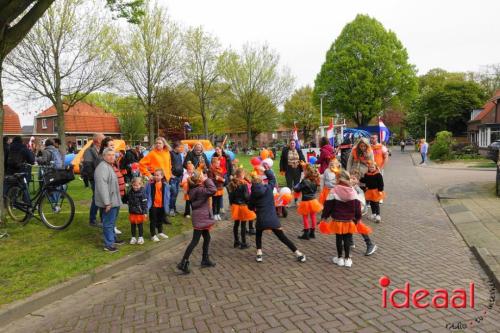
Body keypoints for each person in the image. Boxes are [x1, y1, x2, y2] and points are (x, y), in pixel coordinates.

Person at [248, 164, 306, 263]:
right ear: (262, 182)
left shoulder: (253, 194)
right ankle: (298, 253)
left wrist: (254, 207)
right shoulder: (268, 188)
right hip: (272, 219)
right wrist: (267, 170)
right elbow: (272, 179)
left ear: (252, 185)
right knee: (282, 237)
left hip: (261, 219)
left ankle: (259, 254)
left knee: (258, 234)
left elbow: (250, 207)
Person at [176, 171, 217, 274]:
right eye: (202, 176)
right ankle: (183, 262)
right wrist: (206, 180)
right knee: (195, 241)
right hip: (201, 217)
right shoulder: (200, 190)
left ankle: (205, 259)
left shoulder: (192, 189)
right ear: (199, 180)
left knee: (207, 237)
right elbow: (213, 189)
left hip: (199, 217)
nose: (204, 177)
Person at [319, 170, 360, 268]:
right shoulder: (353, 191)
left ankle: (339, 258)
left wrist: (324, 217)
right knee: (347, 239)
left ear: (338, 179)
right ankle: (347, 259)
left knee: (339, 238)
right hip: (349, 220)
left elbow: (328, 205)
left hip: (337, 219)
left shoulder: (333, 190)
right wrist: (357, 218)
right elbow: (357, 207)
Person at [94, 148, 124, 252]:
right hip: (109, 202)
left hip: (114, 200)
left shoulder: (109, 166)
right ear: (104, 156)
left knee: (112, 222)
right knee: (108, 223)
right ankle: (108, 244)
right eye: (109, 155)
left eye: (113, 155)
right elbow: (103, 187)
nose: (112, 157)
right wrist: (107, 203)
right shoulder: (102, 168)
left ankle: (113, 239)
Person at [350, 172, 377, 256]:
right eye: (350, 178)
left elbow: (361, 202)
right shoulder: (348, 187)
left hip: (356, 212)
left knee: (359, 226)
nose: (351, 179)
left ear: (358, 181)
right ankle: (350, 243)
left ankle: (370, 244)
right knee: (349, 225)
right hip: (349, 212)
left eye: (354, 178)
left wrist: (358, 212)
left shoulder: (358, 190)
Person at [228, 168, 256, 249]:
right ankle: (243, 243)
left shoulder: (232, 183)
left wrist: (231, 204)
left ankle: (236, 241)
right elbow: (246, 196)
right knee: (243, 225)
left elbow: (231, 196)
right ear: (242, 175)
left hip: (235, 206)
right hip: (243, 206)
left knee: (236, 224)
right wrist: (250, 201)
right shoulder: (244, 184)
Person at [82, 133, 105, 227]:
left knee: (101, 198)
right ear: (98, 141)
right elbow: (87, 166)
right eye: (103, 139)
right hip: (95, 178)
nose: (104, 140)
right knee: (97, 198)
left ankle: (102, 219)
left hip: (102, 178)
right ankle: (92, 219)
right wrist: (94, 177)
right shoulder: (89, 151)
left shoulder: (101, 150)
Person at [294, 165, 323, 240]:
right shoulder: (315, 179)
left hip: (306, 201)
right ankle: (312, 232)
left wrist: (296, 186)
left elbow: (297, 189)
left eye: (305, 171)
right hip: (313, 201)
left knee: (305, 217)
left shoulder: (304, 181)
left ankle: (306, 233)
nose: (304, 172)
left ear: (307, 172)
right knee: (313, 216)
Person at [145, 169, 170, 242]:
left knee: (160, 220)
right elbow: (145, 192)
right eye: (155, 175)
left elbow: (167, 196)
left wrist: (167, 205)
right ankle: (153, 235)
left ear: (162, 176)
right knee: (153, 221)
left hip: (162, 206)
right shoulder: (150, 185)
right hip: (153, 206)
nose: (156, 176)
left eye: (158, 175)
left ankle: (160, 232)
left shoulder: (166, 185)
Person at [127, 177, 148, 245]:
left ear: (141, 185)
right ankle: (133, 237)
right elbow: (128, 199)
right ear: (132, 185)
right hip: (132, 212)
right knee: (132, 225)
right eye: (134, 185)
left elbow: (144, 203)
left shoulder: (142, 192)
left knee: (140, 225)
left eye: (137, 185)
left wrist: (145, 212)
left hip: (139, 212)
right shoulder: (130, 191)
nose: (135, 187)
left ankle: (140, 237)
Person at [169, 142, 184, 216]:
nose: (181, 149)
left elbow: (180, 164)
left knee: (176, 193)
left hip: (179, 176)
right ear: (176, 147)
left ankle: (173, 208)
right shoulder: (170, 154)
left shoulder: (179, 155)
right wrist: (170, 174)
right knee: (173, 193)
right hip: (173, 177)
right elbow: (168, 164)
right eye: (180, 147)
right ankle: (171, 209)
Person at [208, 156, 225, 221]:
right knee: (214, 201)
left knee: (219, 201)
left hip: (220, 187)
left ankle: (218, 213)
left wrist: (222, 179)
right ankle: (214, 213)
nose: (218, 164)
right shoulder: (210, 170)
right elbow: (210, 179)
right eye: (217, 163)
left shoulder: (220, 169)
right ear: (213, 163)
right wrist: (216, 179)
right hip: (214, 188)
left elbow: (222, 177)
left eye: (219, 163)